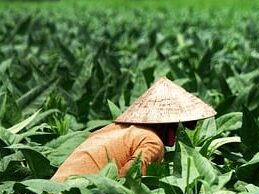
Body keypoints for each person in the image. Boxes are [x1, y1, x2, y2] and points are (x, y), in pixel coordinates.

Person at [51, 77, 216, 181]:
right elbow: (129, 181)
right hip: (78, 192)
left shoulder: (115, 128)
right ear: (169, 124)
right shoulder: (152, 141)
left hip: (54, 186)